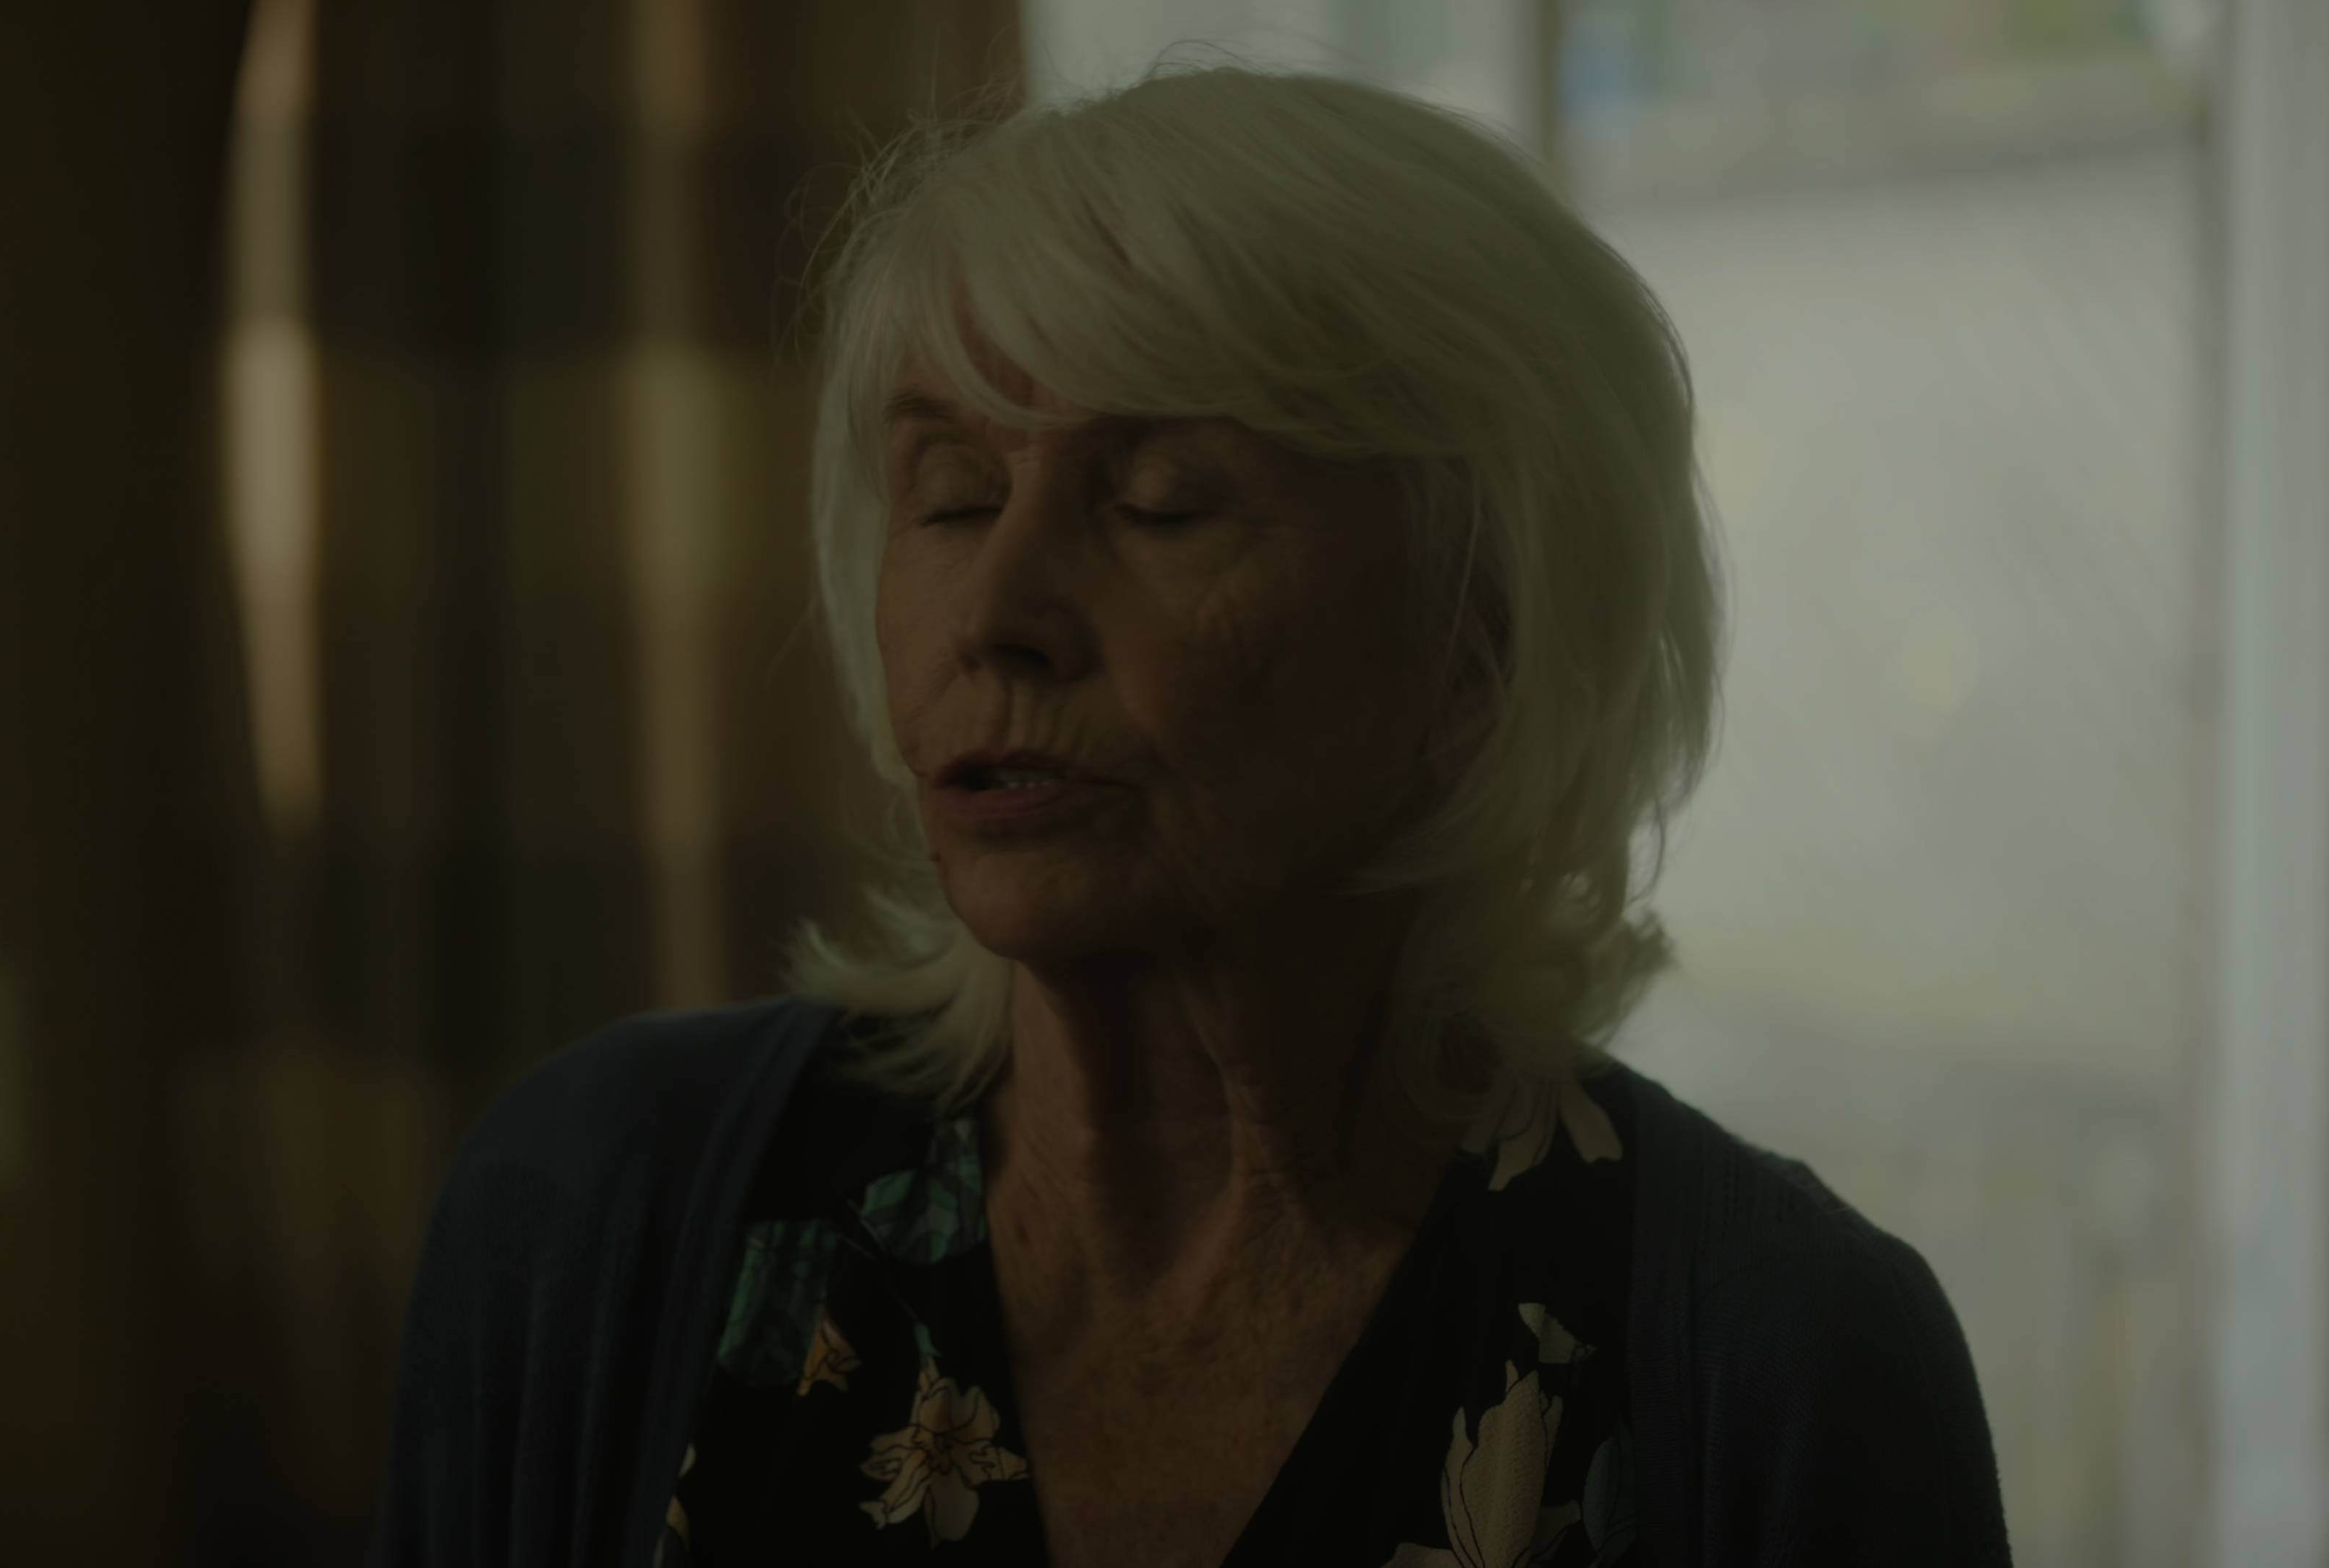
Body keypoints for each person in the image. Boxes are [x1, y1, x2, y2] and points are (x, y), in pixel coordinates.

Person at [366, 67, 2008, 1568]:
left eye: (1161, 504)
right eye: (950, 497)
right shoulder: (601, 1215)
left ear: (1478, 653)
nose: (994, 611)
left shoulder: (1782, 1356)